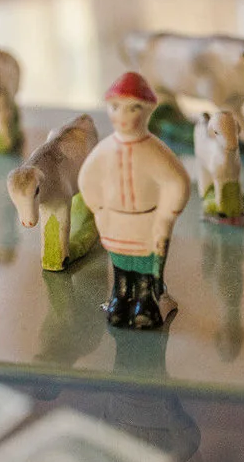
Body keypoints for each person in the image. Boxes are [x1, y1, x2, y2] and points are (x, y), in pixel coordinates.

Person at [79, 72, 191, 329]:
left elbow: (177, 182)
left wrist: (166, 215)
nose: (123, 116)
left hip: (147, 222)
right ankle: (120, 300)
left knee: (144, 268)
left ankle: (145, 302)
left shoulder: (154, 151)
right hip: (115, 221)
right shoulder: (105, 150)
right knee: (121, 266)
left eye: (133, 108)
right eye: (116, 107)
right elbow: (88, 179)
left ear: (148, 110)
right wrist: (98, 208)